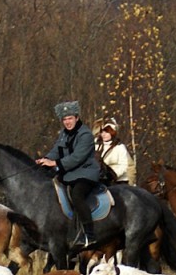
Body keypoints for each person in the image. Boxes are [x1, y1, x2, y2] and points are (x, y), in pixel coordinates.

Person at [36, 101, 100, 249]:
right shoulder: (64, 134)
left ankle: (89, 234)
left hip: (85, 173)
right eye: (64, 119)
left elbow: (77, 157)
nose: (67, 122)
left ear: (77, 118)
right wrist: (45, 159)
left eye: (70, 118)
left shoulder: (86, 135)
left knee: (77, 195)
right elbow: (56, 151)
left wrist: (55, 163)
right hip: (69, 173)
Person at [94, 117, 136, 185]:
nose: (103, 134)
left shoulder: (120, 147)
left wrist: (113, 175)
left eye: (107, 132)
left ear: (112, 132)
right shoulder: (96, 146)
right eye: (102, 132)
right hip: (99, 178)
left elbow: (123, 166)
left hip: (117, 180)